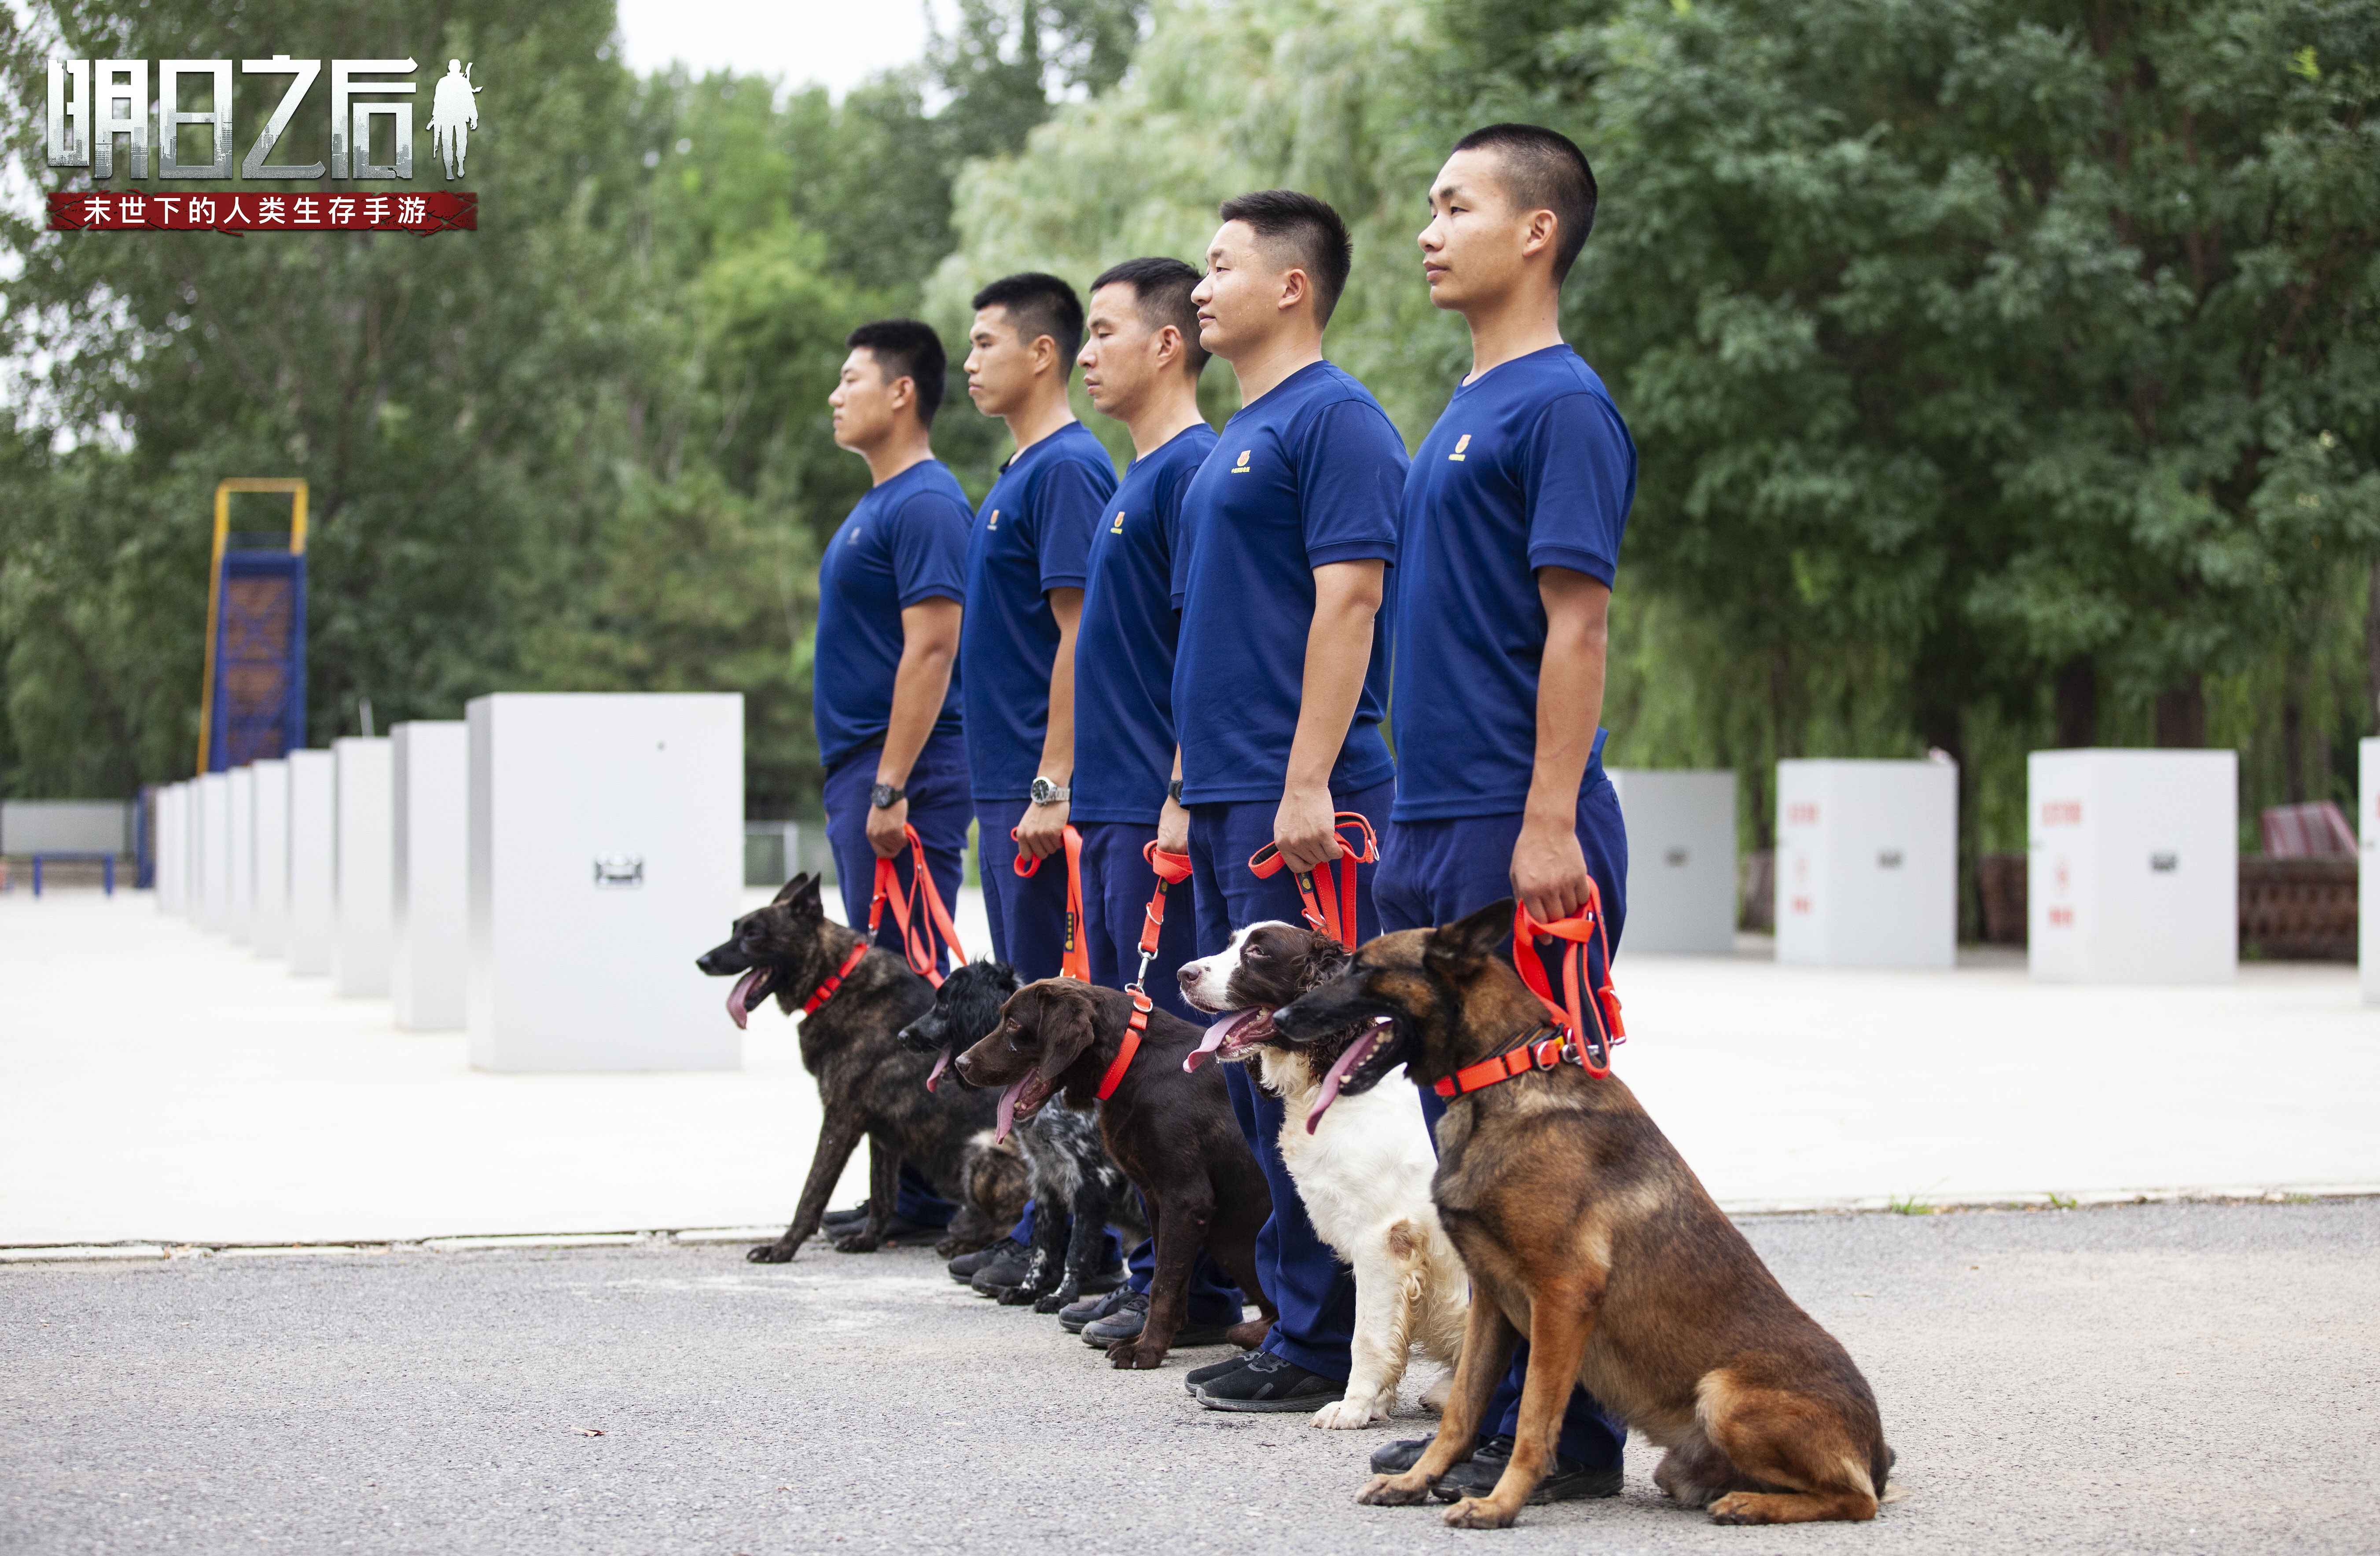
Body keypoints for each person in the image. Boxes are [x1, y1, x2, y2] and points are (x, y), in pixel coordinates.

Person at [1369, 124, 1638, 1502]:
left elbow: (1577, 626)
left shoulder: (1563, 408)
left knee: (1542, 1150)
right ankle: (1487, 1420)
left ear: (1537, 231)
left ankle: (1575, 1440)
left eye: (1455, 205)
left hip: (1512, 826)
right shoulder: (1465, 406)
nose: (1429, 230)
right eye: (1430, 207)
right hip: (1431, 816)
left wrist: (1548, 822)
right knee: (1466, 1148)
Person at [1162, 191, 1407, 1413]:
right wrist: (1183, 790)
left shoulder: (1335, 419)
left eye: (1221, 268)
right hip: (1224, 796)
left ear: (1292, 285)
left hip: (1298, 796)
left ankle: (1325, 1341)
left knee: (1320, 1065)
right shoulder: (1234, 438)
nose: (1201, 289)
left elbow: (1350, 601)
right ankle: (1294, 1317)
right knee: (1252, 1069)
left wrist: (1308, 777)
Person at [1049, 256, 1246, 1350]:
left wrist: (1175, 793)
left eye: (1104, 332)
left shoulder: (1189, 472)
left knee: (1168, 1059)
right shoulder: (1140, 476)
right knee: (1131, 1059)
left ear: (1168, 344)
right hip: (1115, 807)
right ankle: (1156, 1272)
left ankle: (1199, 1294)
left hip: (1158, 814)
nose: (1087, 355)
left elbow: (1198, 653)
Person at [955, 272, 1120, 1294]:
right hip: (1005, 788)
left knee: (1062, 1025)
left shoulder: (1066, 470)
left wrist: (1052, 780)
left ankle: (1086, 1244)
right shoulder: (1018, 472)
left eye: (985, 343)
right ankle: (1043, 1225)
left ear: (1041, 352)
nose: (970, 361)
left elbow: (1079, 635)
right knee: (1027, 1018)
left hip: (1039, 793)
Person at [814, 319, 975, 1241]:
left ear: (901, 392)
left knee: (909, 989)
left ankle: (933, 1192)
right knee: (883, 993)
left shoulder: (925, 503)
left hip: (901, 775)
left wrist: (890, 785)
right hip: (868, 770)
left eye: (851, 379)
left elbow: (934, 647)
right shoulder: (880, 503)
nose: (837, 396)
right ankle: (901, 1193)